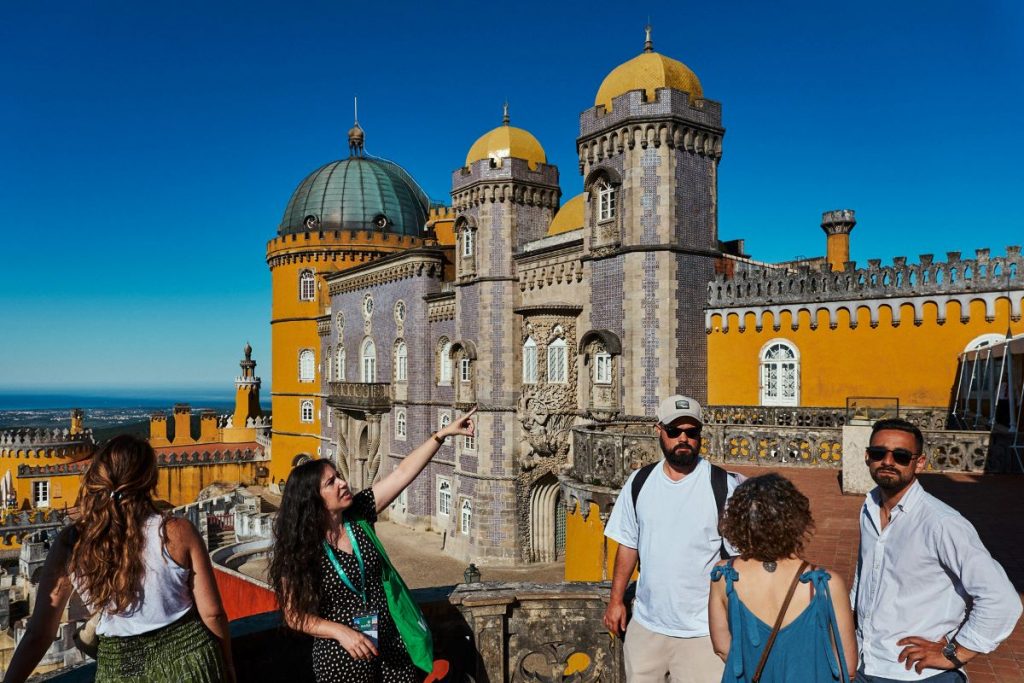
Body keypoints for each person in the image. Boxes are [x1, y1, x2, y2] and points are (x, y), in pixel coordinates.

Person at [3, 435, 235, 683]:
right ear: (149, 480)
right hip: (190, 661)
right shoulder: (178, 532)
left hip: (120, 670)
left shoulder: (71, 542)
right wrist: (228, 667)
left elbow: (39, 634)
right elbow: (213, 614)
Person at [270, 407, 476, 682]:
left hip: (391, 644)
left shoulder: (358, 513)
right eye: (331, 483)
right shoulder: (301, 549)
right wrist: (340, 632)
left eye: (339, 477)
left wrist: (442, 435)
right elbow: (294, 614)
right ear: (313, 500)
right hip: (342, 655)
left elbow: (402, 473)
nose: (343, 484)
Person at [852, 417, 1022, 682]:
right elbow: (864, 579)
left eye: (901, 455)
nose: (888, 461)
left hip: (918, 674)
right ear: (867, 457)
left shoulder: (942, 523)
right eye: (878, 453)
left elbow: (1002, 599)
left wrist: (954, 654)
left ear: (919, 463)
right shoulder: (870, 508)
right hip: (867, 664)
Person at [602, 395, 741, 682]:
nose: (683, 439)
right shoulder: (639, 482)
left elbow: (739, 561)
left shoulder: (723, 486)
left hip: (703, 634)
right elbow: (628, 545)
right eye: (675, 431)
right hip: (646, 628)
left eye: (692, 433)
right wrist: (616, 601)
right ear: (659, 431)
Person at [709, 473, 857, 682]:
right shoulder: (826, 584)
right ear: (795, 520)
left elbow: (722, 647)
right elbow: (847, 666)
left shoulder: (724, 576)